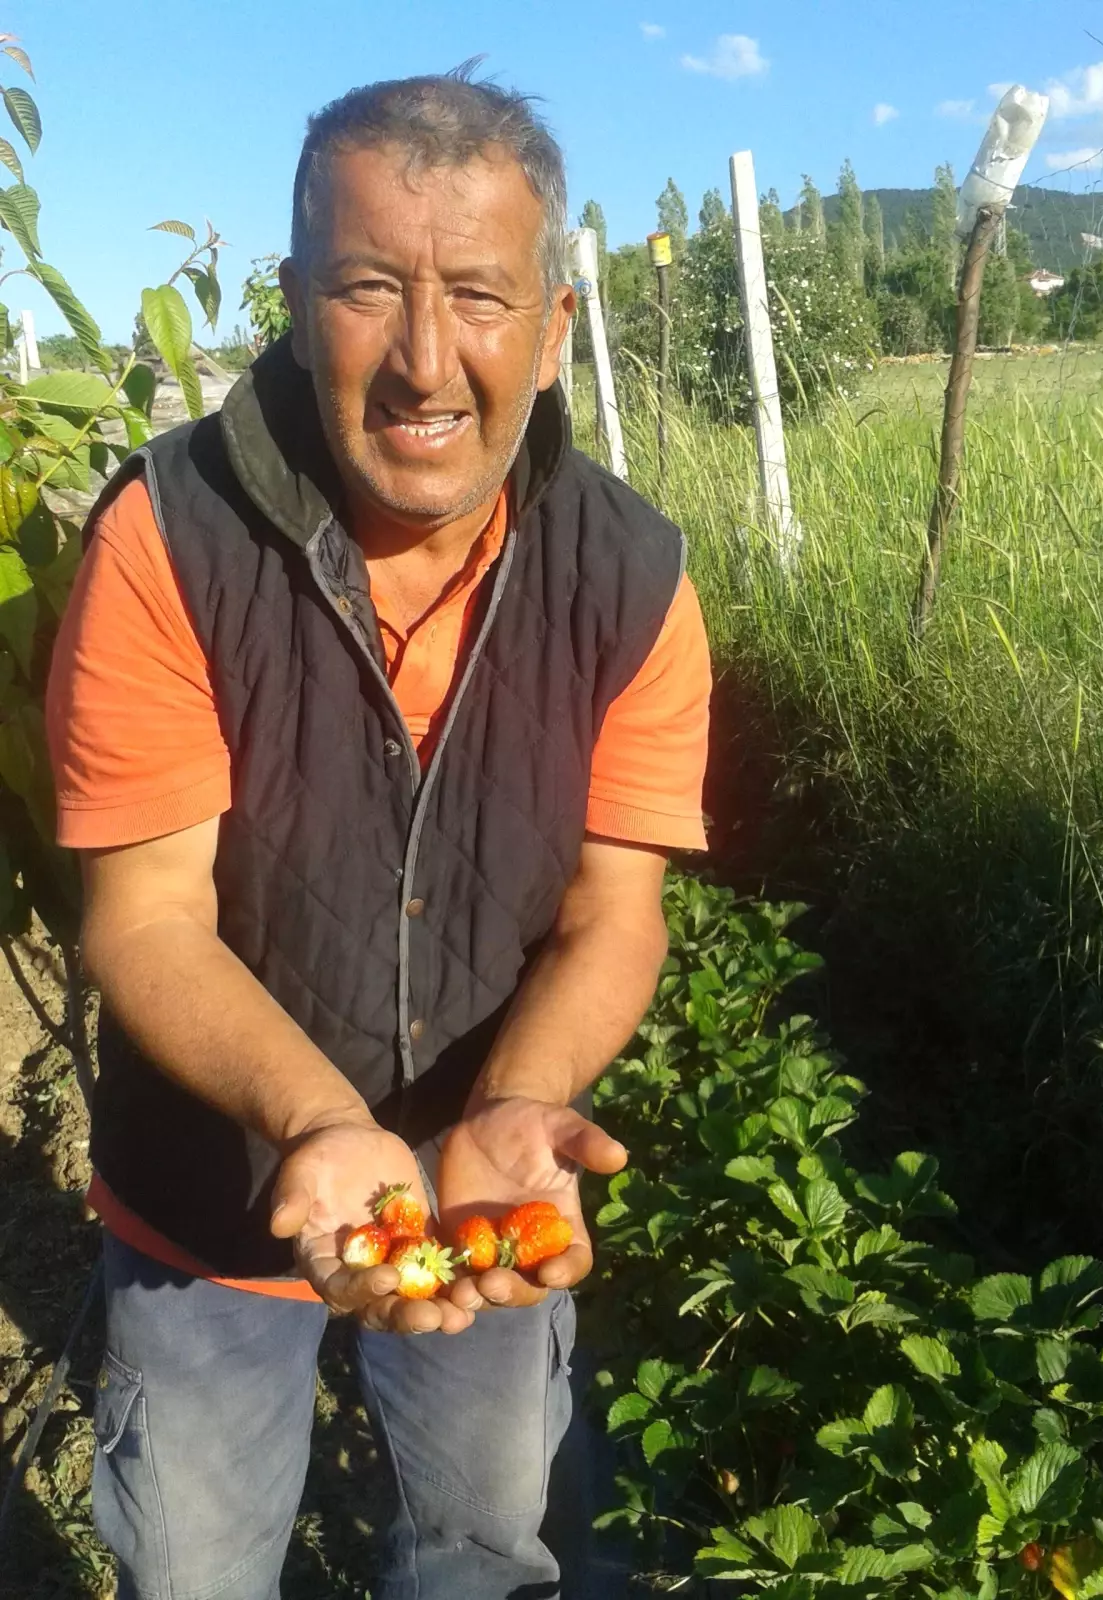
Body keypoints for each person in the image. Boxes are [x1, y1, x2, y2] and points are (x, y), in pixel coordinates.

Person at [47, 69, 710, 1600]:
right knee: (196, 1568)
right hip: (210, 1202)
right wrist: (312, 1120)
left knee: (486, 1549)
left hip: (479, 1201)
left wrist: (523, 1102)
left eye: (479, 294)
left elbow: (617, 910)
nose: (427, 360)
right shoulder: (164, 539)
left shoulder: (630, 576)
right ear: (289, 300)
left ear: (551, 329)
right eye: (367, 288)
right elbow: (145, 916)